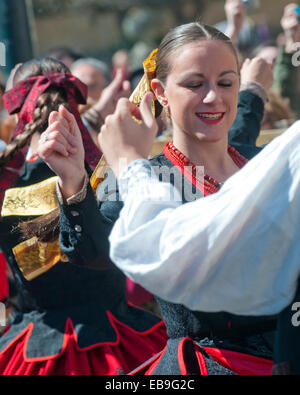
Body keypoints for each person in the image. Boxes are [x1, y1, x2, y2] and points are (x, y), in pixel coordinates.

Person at [43, 23, 279, 375]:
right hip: (214, 365)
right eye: (195, 85)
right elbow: (93, 251)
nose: (213, 97)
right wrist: (73, 179)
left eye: (226, 83)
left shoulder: (263, 161)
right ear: (161, 92)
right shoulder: (145, 177)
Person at [0, 57, 167, 375]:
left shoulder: (5, 183)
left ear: (16, 108)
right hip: (123, 344)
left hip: (33, 350)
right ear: (73, 102)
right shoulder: (112, 170)